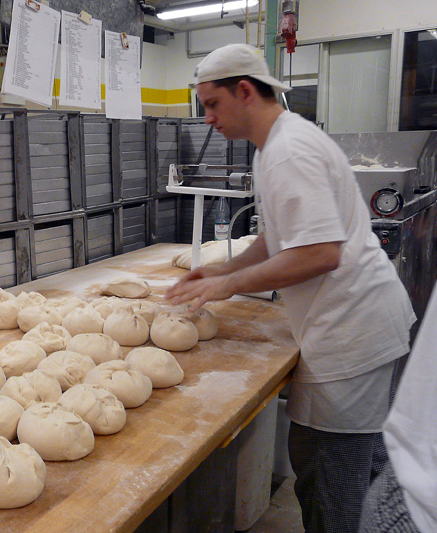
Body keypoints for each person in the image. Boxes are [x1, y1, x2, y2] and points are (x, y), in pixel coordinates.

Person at [165, 43, 416, 533]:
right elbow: (281, 236)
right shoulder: (279, 144)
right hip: (359, 322)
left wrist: (231, 284)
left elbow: (320, 253)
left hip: (350, 335)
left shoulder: (287, 152)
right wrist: (225, 269)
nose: (208, 118)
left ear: (245, 91)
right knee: (361, 468)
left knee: (329, 478)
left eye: (212, 104)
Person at [360, 289, 437, 533]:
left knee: (343, 474)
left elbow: (321, 255)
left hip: (419, 504)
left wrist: (236, 279)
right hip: (416, 496)